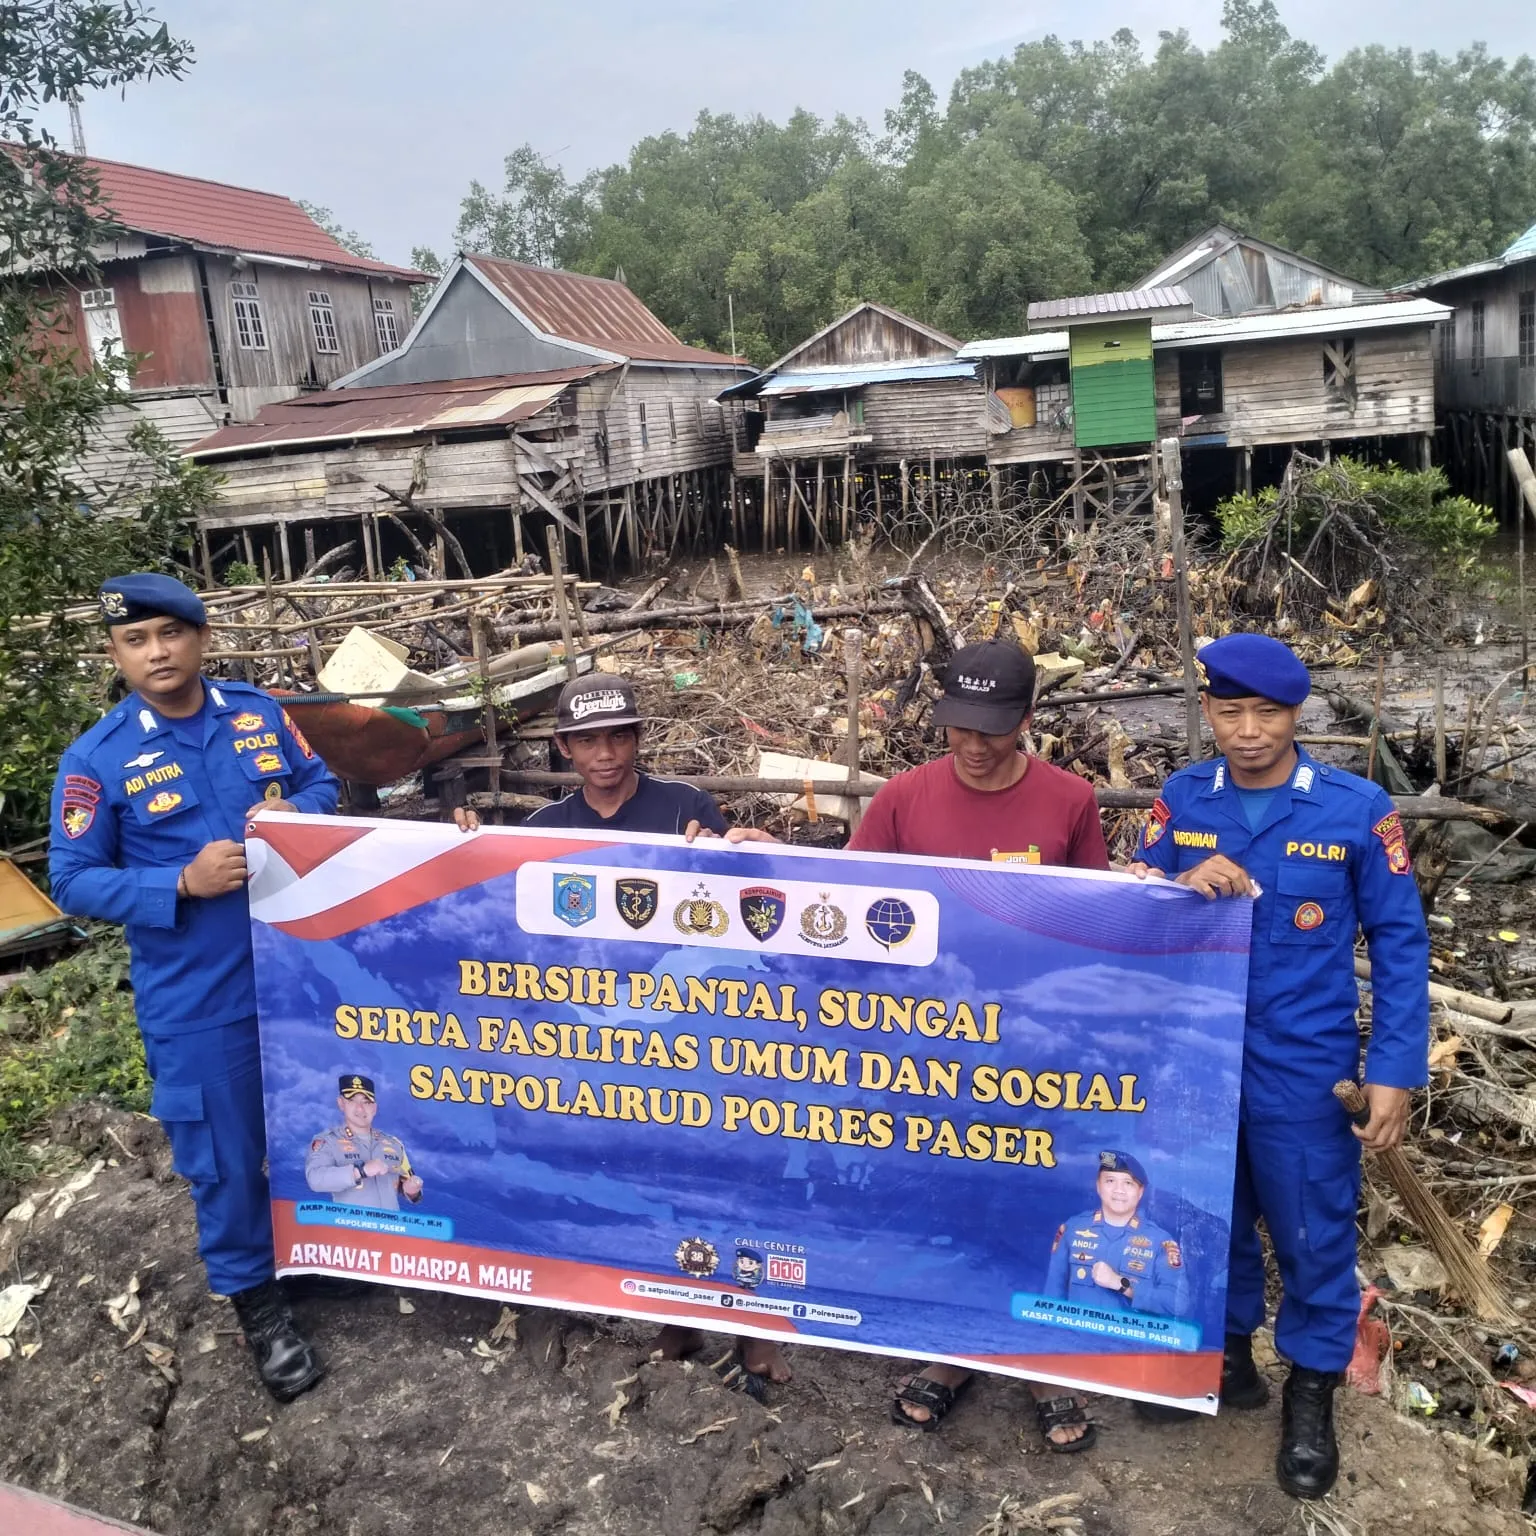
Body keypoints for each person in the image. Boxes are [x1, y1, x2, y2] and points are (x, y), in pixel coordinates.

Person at [1129, 632, 1429, 1500]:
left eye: (1267, 712)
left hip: (1305, 1065)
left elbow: (1401, 945)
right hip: (1197, 1056)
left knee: (1310, 1228)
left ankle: (1309, 1391)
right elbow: (1128, 909)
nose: (1248, 730)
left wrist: (1395, 1070)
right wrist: (1174, 880)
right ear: (1208, 711)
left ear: (1296, 713)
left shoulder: (1356, 809)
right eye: (1230, 711)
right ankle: (1224, 1362)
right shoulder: (1183, 800)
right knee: (1205, 1214)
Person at [48, 574, 340, 1403]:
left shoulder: (257, 714)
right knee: (223, 1159)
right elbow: (70, 879)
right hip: (196, 997)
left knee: (312, 1129)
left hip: (299, 973)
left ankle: (312, 1258)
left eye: (168, 635)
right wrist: (177, 881)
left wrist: (286, 817)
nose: (156, 653)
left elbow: (321, 787)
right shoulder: (98, 759)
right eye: (134, 641)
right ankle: (258, 1305)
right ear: (116, 654)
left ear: (200, 638)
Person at [848, 637, 1108, 1451]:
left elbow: (1099, 924)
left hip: (1035, 1050)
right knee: (950, 1199)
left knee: (1036, 1195)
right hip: (930, 1049)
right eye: (957, 724)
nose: (971, 744)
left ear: (1028, 719)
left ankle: (1042, 1361)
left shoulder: (1070, 802)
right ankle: (958, 1350)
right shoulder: (901, 799)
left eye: (991, 729)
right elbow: (848, 907)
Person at [516, 673, 790, 1391]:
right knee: (650, 1177)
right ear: (564, 748)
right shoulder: (545, 832)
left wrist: (740, 848)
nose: (605, 753)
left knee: (723, 1174)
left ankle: (756, 1338)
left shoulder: (684, 809)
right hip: (603, 1038)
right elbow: (510, 922)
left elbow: (735, 899)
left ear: (638, 739)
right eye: (587, 740)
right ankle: (676, 1322)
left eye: (619, 736)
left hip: (689, 1031)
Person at [1042, 1151, 1189, 1318]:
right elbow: (1052, 1299)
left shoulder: (1160, 1242)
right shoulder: (1072, 1229)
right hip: (1076, 1339)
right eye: (1110, 1181)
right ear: (1098, 1186)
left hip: (1131, 1342)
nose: (1119, 1190)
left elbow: (1178, 1305)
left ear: (1140, 1191)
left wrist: (1121, 1284)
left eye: (1128, 1183)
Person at [305, 1075, 424, 1210]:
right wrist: (360, 1171)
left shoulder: (394, 1144)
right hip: (349, 1227)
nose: (360, 1108)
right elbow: (315, 1179)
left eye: (366, 1102)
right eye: (352, 1101)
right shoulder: (328, 1141)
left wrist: (412, 1190)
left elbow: (408, 1185)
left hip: (391, 1227)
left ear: (374, 1108)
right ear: (341, 1103)